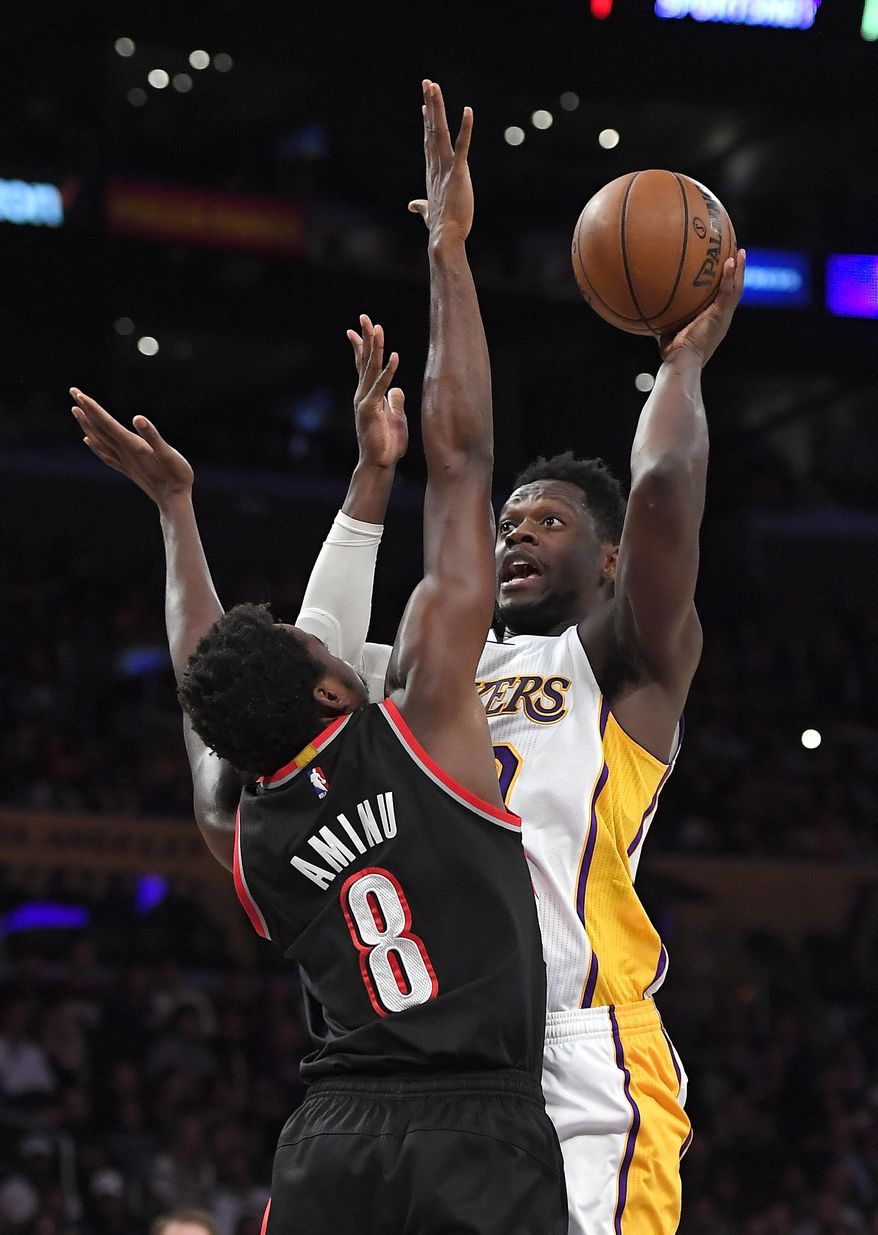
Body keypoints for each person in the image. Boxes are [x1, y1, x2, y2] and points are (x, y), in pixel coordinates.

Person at [71, 80, 566, 1235]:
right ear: (336, 686)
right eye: (313, 637)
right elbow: (465, 461)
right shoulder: (427, 731)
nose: (323, 623)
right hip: (475, 1130)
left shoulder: (243, 828)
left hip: (332, 1146)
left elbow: (208, 693)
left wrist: (177, 512)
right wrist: (448, 250)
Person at [284, 240, 748, 1229]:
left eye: (545, 520)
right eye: (507, 522)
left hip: (580, 1047)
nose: (514, 534)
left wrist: (681, 365)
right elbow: (304, 661)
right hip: (443, 1057)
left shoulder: (625, 661)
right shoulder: (438, 664)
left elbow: (664, 485)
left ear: (612, 559)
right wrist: (371, 479)